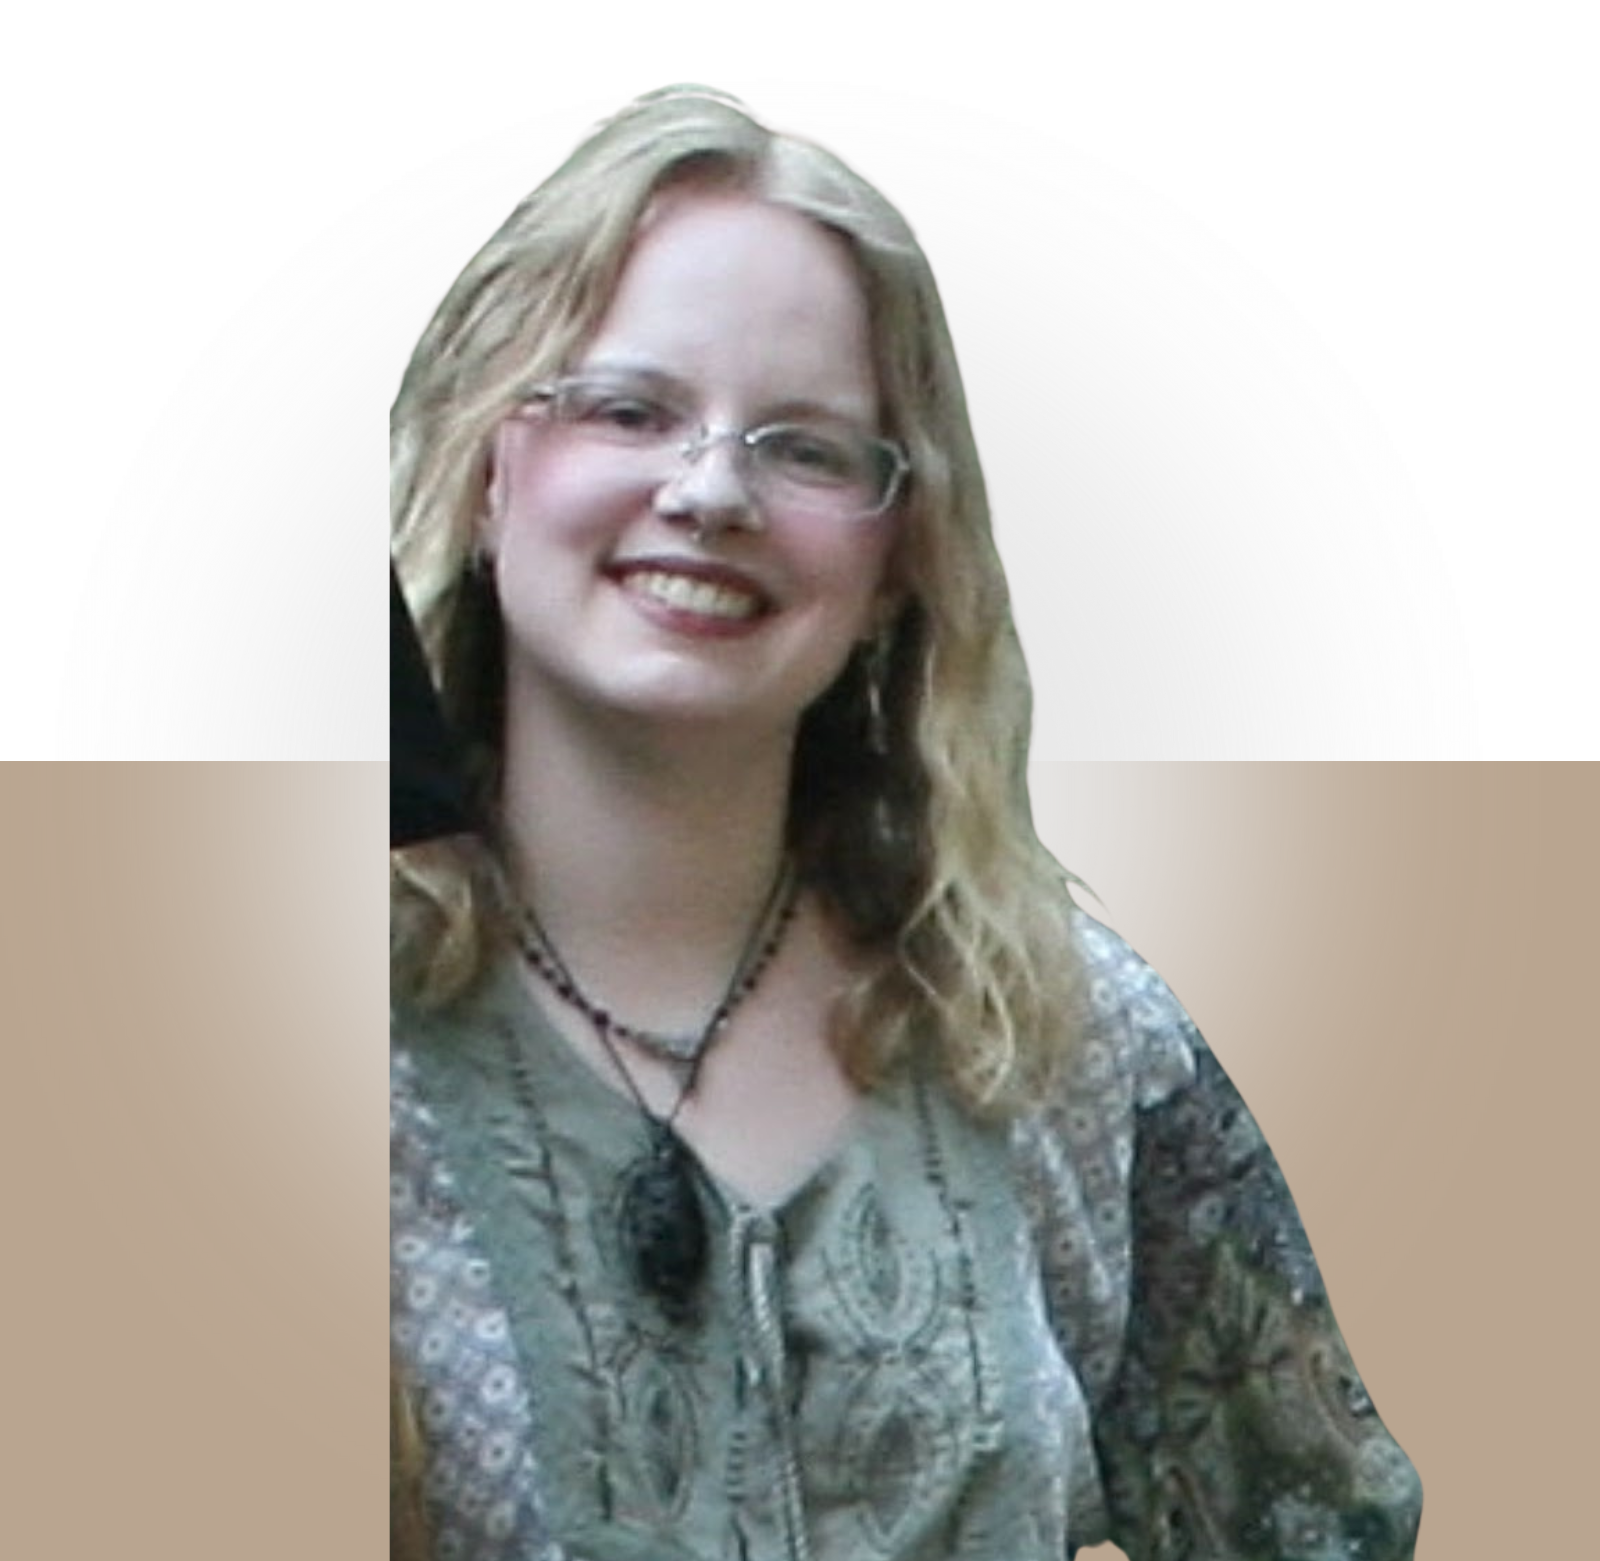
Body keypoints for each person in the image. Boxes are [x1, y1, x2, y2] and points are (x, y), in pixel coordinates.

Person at [390, 84, 1423, 1561]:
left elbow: (1327, 1531)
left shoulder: (1059, 1038)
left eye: (806, 449)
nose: (712, 491)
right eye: (631, 408)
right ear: (489, 469)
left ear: (896, 562)